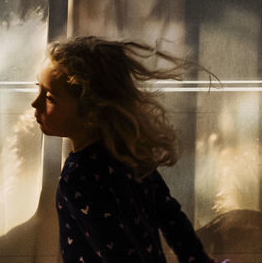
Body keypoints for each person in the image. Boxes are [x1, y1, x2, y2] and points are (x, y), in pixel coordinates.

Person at [31, 35, 225, 263]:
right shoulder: (130, 157)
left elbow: (118, 254)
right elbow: (171, 217)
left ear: (90, 111)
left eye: (50, 98)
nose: (36, 103)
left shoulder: (77, 176)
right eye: (39, 90)